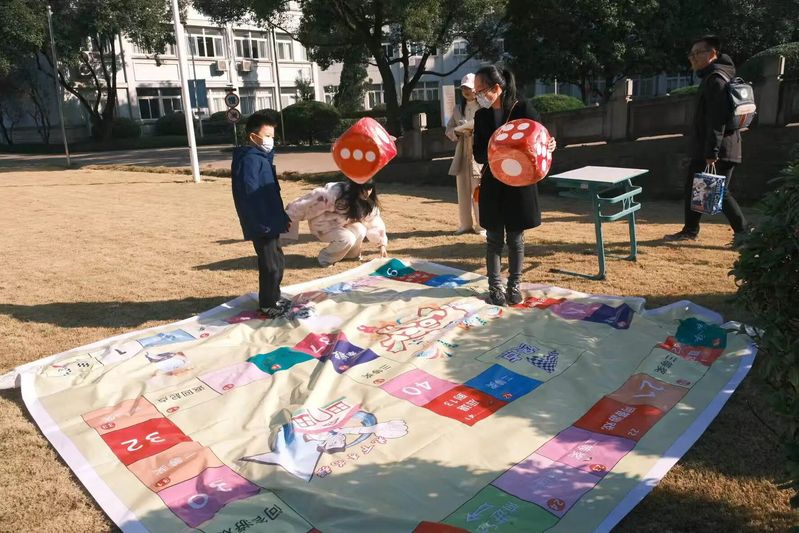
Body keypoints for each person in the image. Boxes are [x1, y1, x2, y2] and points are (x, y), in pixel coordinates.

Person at [472, 65, 556, 306]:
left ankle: (514, 285)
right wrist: (497, 149)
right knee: (493, 238)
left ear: (497, 88)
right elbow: (478, 153)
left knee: (516, 238)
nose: (478, 95)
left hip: (519, 184)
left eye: (481, 90)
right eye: (476, 91)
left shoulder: (523, 109)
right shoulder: (481, 116)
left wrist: (550, 144)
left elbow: (539, 138)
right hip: (493, 182)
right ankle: (495, 287)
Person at [664, 35, 750, 247]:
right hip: (715, 146)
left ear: (712, 54)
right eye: (691, 54)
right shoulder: (716, 76)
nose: (693, 58)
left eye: (698, 53)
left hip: (717, 148)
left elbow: (716, 120)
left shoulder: (715, 80)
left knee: (719, 191)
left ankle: (744, 233)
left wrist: (712, 152)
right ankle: (690, 230)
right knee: (696, 187)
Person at [231, 112, 291, 318]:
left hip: (272, 220)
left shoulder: (262, 158)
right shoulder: (249, 160)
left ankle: (275, 296)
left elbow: (271, 192)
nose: (270, 140)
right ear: (253, 137)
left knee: (278, 261)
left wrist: (282, 217)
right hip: (262, 222)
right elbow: (250, 194)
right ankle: (267, 303)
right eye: (267, 136)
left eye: (272, 136)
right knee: (270, 265)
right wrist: (261, 222)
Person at [284, 180, 388, 266]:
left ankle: (351, 255)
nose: (367, 193)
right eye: (363, 189)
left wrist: (381, 245)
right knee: (347, 239)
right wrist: (287, 217)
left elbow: (373, 220)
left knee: (361, 229)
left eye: (369, 189)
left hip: (342, 224)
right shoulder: (335, 194)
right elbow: (305, 204)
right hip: (323, 226)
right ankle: (325, 258)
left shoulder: (368, 202)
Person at [445, 73, 484, 236]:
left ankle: (481, 225)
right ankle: (465, 224)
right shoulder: (458, 108)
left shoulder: (484, 107)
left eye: (469, 88)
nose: (466, 91)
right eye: (463, 89)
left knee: (478, 191)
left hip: (478, 155)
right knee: (462, 191)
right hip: (462, 153)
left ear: (476, 89)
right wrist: (457, 131)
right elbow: (449, 129)